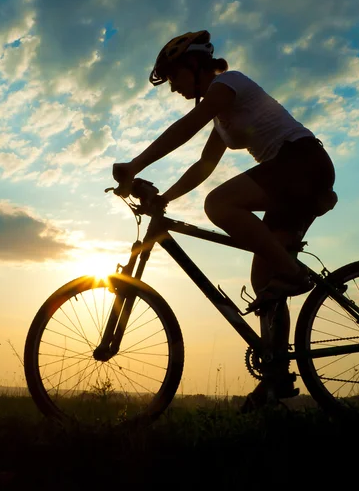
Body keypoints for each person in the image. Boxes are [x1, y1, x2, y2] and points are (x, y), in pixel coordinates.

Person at [112, 30, 336, 407]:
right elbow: (204, 165)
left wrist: (136, 165)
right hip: (293, 176)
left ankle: (296, 275)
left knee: (219, 205)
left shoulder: (228, 85)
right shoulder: (222, 120)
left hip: (300, 163)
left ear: (196, 66)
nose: (173, 88)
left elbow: (187, 125)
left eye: (174, 77)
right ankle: (276, 379)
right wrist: (164, 198)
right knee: (265, 280)